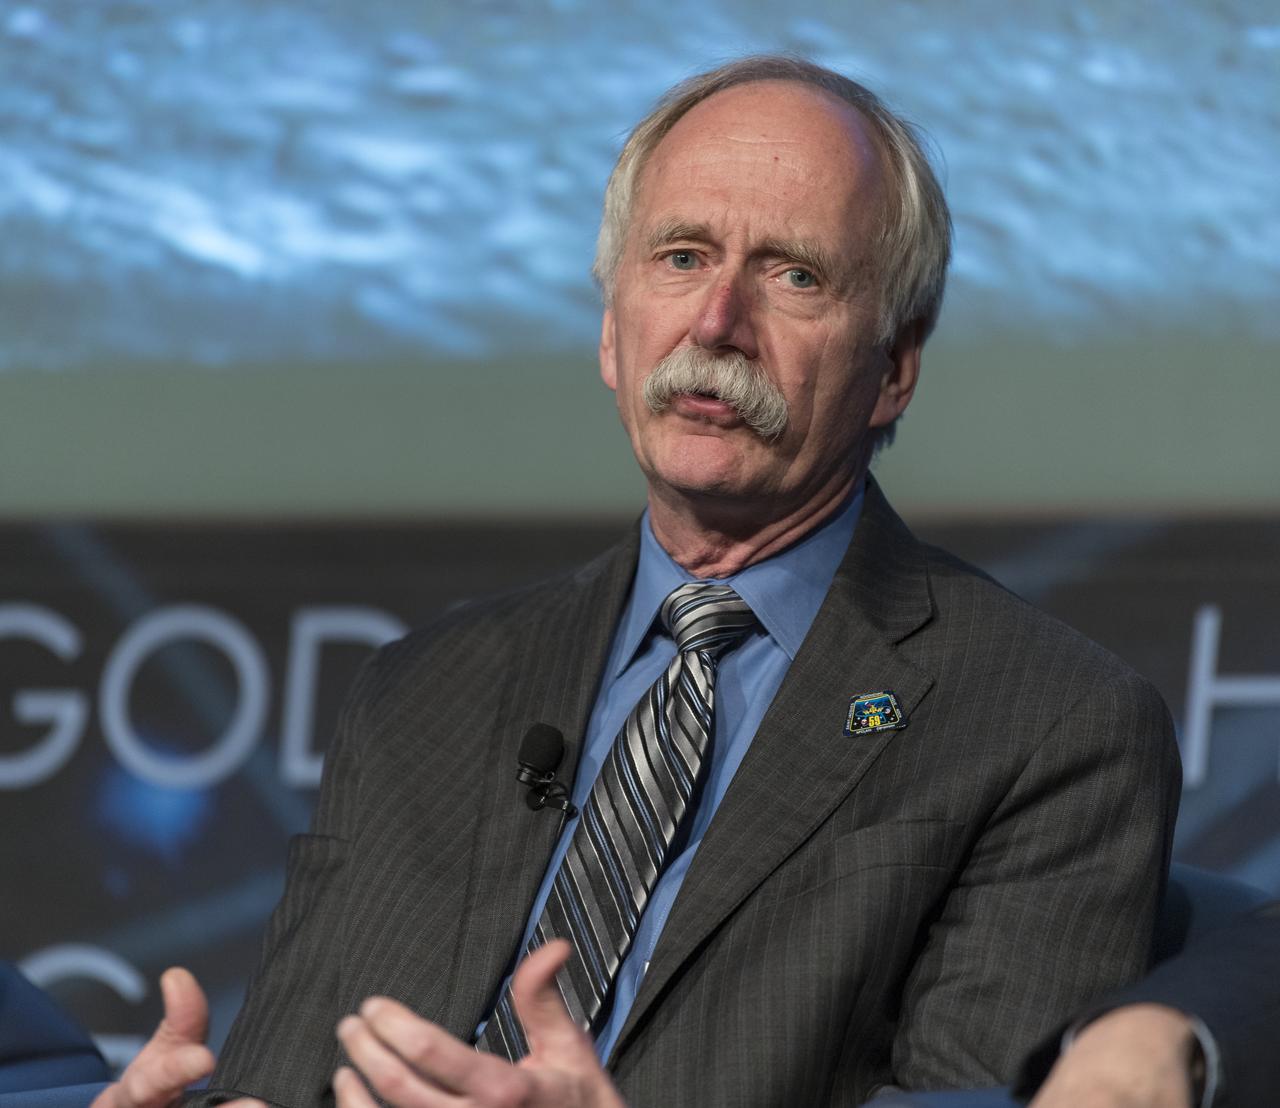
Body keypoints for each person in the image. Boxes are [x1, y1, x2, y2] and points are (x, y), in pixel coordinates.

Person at [170, 55, 1186, 1106]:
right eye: (681, 256)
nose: (714, 323)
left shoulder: (1050, 727)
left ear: (893, 369)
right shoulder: (421, 692)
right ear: (611, 331)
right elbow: (278, 1076)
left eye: (793, 274)